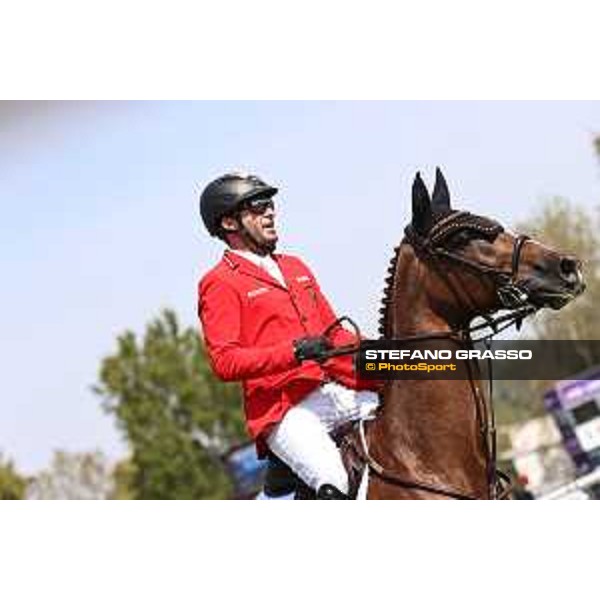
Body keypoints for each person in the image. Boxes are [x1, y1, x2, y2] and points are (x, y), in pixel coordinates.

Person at [197, 172, 380, 499]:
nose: (270, 212)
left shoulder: (296, 266)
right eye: (258, 206)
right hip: (286, 409)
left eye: (270, 204)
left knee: (407, 427)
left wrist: (384, 350)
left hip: (337, 389)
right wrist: (294, 351)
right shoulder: (219, 282)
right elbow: (224, 361)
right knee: (334, 478)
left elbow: (335, 335)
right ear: (229, 223)